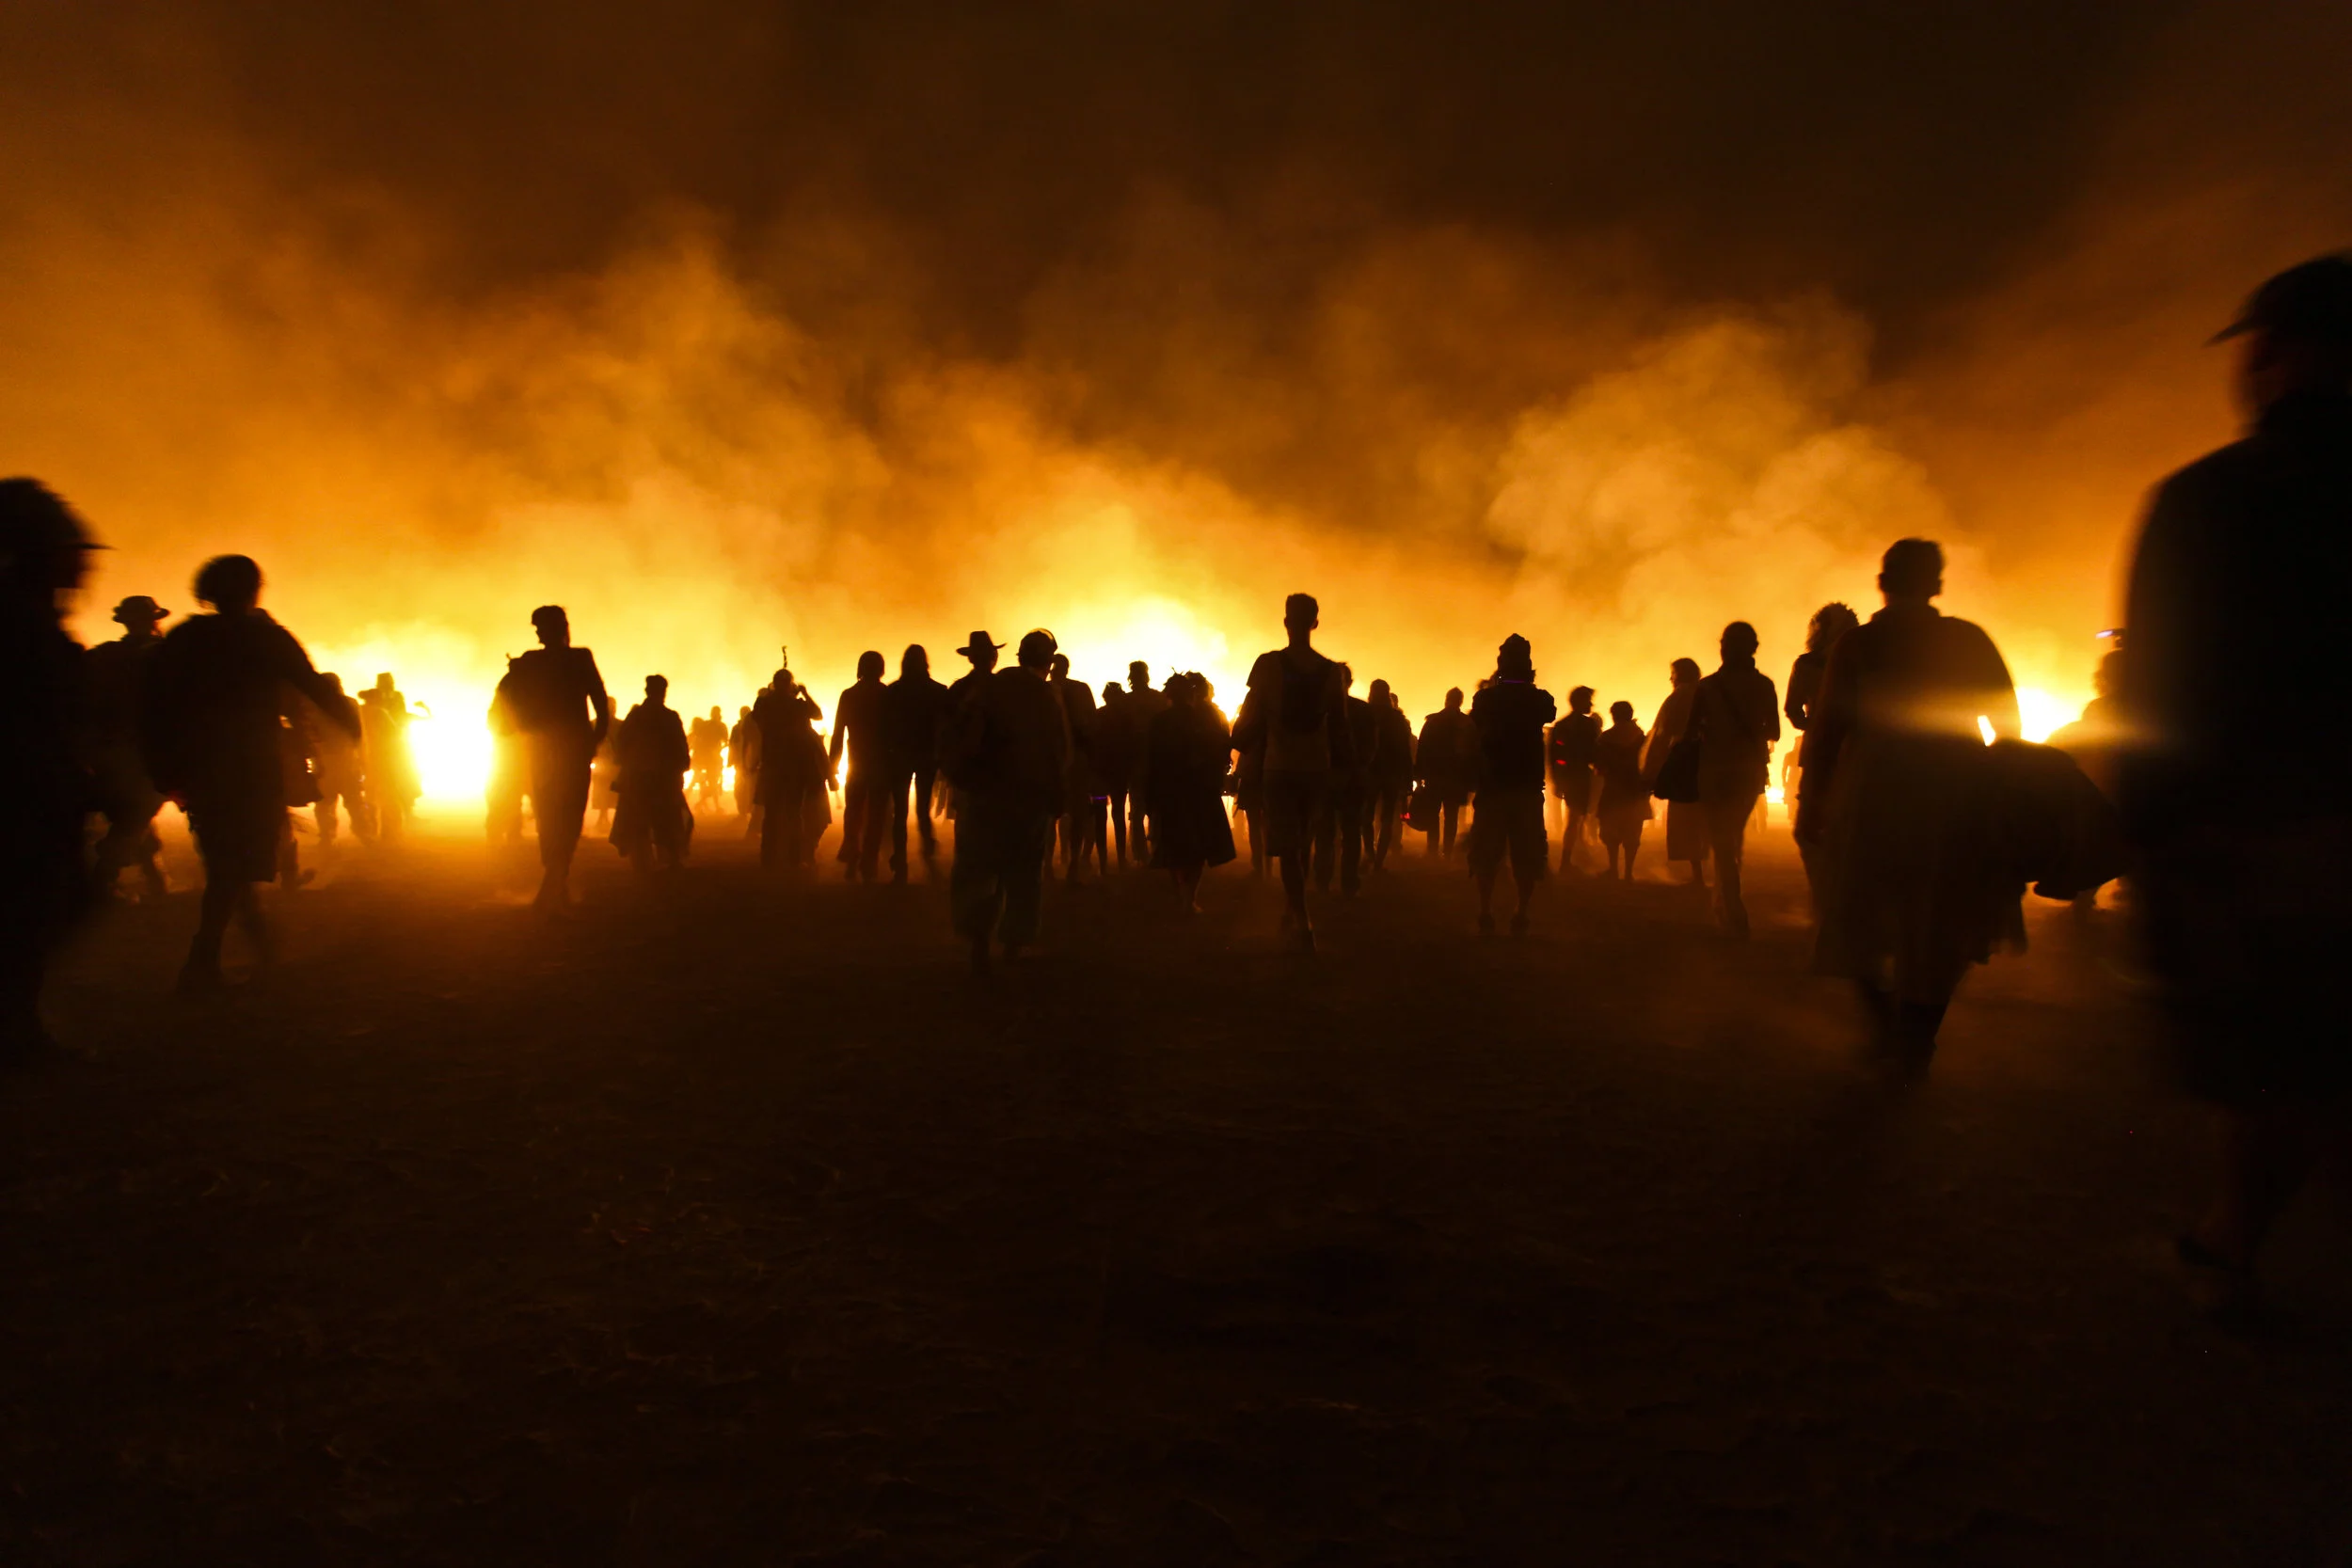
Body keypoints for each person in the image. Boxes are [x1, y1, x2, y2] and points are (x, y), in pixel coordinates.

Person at [2117, 255, 2352, 1319]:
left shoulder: (2214, 500)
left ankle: (2232, 1243)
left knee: (2285, 1062)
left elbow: (2158, 690)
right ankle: (2236, 1237)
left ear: (2284, 357)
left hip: (2268, 841)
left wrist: (2154, 836)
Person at [1798, 538, 2021, 1069]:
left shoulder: (1859, 647)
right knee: (1942, 923)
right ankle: (1918, 1034)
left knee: (1856, 916)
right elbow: (2008, 724)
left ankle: (1888, 1027)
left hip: (1874, 795)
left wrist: (1812, 801)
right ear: (1937, 584)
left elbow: (1828, 731)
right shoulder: (1966, 640)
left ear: (1883, 583)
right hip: (1954, 796)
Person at [140, 554, 355, 993]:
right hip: (250, 765)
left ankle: (252, 943)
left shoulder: (186, 638)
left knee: (227, 858)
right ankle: (208, 957)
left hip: (202, 765)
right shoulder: (264, 638)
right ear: (254, 590)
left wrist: (164, 764)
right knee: (233, 862)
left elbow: (155, 705)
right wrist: (350, 729)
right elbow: (310, 685)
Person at [1, 479, 103, 1055]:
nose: (84, 567)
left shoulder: (29, 616)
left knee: (43, 903)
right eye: (72, 554)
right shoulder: (19, 620)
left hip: (37, 787)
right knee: (33, 904)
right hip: (22, 791)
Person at [945, 628, 1070, 972]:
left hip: (984, 799)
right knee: (1024, 874)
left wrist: (963, 784)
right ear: (1047, 661)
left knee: (979, 869)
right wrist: (1055, 795)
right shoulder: (1047, 696)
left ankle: (978, 941)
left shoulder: (987, 689)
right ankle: (1014, 945)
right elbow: (1058, 751)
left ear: (1017, 656)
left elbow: (961, 738)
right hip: (1027, 802)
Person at [1234, 593, 1354, 952]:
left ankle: (1302, 920)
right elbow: (1341, 727)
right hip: (1316, 767)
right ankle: (1294, 909)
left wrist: (1237, 742)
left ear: (1286, 621)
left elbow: (1250, 717)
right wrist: (1347, 769)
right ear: (1315, 622)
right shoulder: (1331, 672)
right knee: (1303, 842)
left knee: (1287, 846)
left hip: (1279, 767)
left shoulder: (1267, 666)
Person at [493, 605, 612, 913]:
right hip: (567, 749)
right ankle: (556, 876)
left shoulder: (532, 662)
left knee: (553, 814)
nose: (538, 633)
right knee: (561, 814)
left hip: (546, 751)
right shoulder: (574, 658)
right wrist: (594, 738)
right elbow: (599, 702)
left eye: (540, 627)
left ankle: (555, 876)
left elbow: (509, 704)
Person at [1692, 623, 1782, 938]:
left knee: (1720, 838)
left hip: (1714, 769)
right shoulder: (1765, 686)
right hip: (1748, 770)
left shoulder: (1707, 687)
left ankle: (1731, 905)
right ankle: (1725, 901)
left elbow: (1691, 733)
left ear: (1723, 648)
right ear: (1753, 648)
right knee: (1733, 835)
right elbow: (1774, 732)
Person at [83, 594, 171, 898]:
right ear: (153, 621)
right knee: (136, 814)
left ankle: (156, 879)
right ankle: (102, 879)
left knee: (134, 812)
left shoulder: (105, 656)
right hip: (147, 749)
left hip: (110, 748)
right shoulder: (165, 656)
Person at [1467, 635, 1557, 935]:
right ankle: (1521, 911)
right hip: (1527, 787)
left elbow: (1475, 729)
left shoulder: (1485, 699)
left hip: (1493, 785)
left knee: (1486, 851)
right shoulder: (1540, 699)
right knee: (1527, 852)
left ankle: (1485, 909)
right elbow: (1547, 714)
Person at [1146, 672, 1236, 911]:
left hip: (1170, 792)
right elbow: (1219, 752)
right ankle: (1189, 896)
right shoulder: (1204, 720)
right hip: (1200, 790)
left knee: (1173, 846)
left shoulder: (1159, 722)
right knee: (1199, 847)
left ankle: (1182, 893)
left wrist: (1151, 793)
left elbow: (1151, 760)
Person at [1786, 602, 1860, 893]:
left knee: (1810, 830)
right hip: (1859, 753)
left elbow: (1793, 710)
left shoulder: (1807, 664)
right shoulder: (1868, 661)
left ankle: (1825, 899)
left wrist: (1814, 727)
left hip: (1821, 755)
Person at [611, 674, 692, 872]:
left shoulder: (638, 716)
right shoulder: (668, 717)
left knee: (646, 818)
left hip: (643, 776)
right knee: (667, 818)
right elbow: (680, 746)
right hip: (660, 777)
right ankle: (667, 859)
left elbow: (621, 743)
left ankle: (647, 860)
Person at [882, 645, 949, 882]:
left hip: (899, 756)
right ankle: (927, 848)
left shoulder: (893, 692)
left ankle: (900, 862)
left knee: (900, 812)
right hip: (926, 756)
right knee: (922, 808)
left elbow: (885, 728)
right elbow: (943, 728)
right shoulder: (938, 691)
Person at [1644, 658, 1711, 888]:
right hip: (1711, 766)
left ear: (1680, 675)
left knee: (1687, 821)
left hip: (1684, 768)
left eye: (1672, 673)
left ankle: (1698, 875)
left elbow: (1660, 734)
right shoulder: (1709, 694)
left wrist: (1649, 768)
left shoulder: (1677, 699)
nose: (1670, 678)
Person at [753, 670, 828, 872]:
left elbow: (756, 715)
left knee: (771, 813)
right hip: (794, 767)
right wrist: (804, 693)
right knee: (794, 813)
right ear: (790, 685)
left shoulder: (764, 704)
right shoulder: (797, 706)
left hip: (772, 765)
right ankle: (794, 858)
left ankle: (767, 857)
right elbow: (817, 714)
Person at [1314, 665, 1377, 896]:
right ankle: (1348, 883)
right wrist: (1358, 767)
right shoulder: (1363, 710)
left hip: (1329, 778)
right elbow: (1371, 747)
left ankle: (1323, 881)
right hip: (1353, 779)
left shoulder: (1320, 711)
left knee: (1325, 834)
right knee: (1350, 834)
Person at [831, 651, 892, 881]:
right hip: (880, 765)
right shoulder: (886, 695)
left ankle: (852, 854)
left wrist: (832, 767)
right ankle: (869, 860)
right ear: (880, 669)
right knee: (876, 815)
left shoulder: (848, 695)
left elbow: (837, 734)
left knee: (853, 812)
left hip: (856, 763)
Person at [1048, 652, 1105, 882]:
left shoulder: (1043, 691)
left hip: (1054, 761)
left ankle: (1051, 864)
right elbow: (1092, 725)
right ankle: (1072, 861)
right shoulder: (1080, 690)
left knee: (1053, 814)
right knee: (1078, 814)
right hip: (1076, 761)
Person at [358, 673, 420, 845]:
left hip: (370, 754)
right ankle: (390, 832)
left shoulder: (364, 710)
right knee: (390, 791)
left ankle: (372, 827)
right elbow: (394, 731)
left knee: (373, 792)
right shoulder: (380, 712)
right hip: (388, 755)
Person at [310, 672, 370, 847]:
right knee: (354, 802)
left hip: (327, 761)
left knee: (325, 803)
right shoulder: (349, 704)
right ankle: (363, 835)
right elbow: (360, 735)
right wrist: (363, 760)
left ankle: (327, 837)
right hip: (345, 760)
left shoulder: (313, 706)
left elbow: (311, 735)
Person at [1594, 701, 1651, 879]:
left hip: (1613, 790)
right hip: (1636, 790)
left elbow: (1599, 766)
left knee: (1611, 832)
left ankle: (1613, 869)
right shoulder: (1642, 738)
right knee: (1633, 832)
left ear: (1613, 715)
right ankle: (1628, 872)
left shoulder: (1605, 738)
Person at [1415, 689, 1475, 857]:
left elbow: (1423, 748)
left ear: (1446, 699)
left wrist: (1419, 775)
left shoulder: (1433, 721)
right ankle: (1447, 851)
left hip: (1435, 775)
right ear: (1460, 702)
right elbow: (1471, 753)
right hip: (1456, 777)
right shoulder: (1466, 723)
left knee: (1433, 813)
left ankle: (1432, 849)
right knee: (1452, 815)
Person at [1548, 687, 1601, 874]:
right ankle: (1566, 860)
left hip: (1571, 776)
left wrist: (1557, 779)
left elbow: (1555, 756)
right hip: (1580, 776)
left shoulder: (1562, 725)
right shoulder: (1587, 726)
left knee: (1577, 818)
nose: (1591, 704)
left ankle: (1573, 857)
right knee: (1575, 819)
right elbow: (1595, 752)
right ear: (1579, 702)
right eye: (1588, 700)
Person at [1120, 660, 1169, 859]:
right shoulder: (1158, 699)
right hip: (1154, 761)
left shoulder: (1125, 702)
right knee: (1154, 808)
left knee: (1139, 809)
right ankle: (1154, 849)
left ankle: (1141, 853)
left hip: (1139, 762)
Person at [1366, 679, 1415, 871]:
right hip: (1392, 773)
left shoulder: (1365, 714)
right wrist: (1408, 776)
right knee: (1387, 817)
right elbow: (1405, 750)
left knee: (1367, 816)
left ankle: (1370, 853)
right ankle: (1379, 859)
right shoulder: (1397, 719)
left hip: (1369, 771)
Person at [1093, 679, 1135, 866]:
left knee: (1100, 816)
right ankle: (1120, 859)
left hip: (1101, 775)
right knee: (1118, 815)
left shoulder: (1098, 715)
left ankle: (1103, 862)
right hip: (1118, 775)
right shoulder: (1127, 719)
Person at [484, 663, 526, 847]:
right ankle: (505, 830)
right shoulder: (516, 688)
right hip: (510, 750)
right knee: (506, 792)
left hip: (511, 750)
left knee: (506, 793)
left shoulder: (508, 688)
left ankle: (507, 830)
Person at [729, 703, 762, 835]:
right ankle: (743, 811)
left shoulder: (754, 727)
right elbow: (732, 744)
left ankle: (749, 810)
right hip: (741, 762)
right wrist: (731, 760)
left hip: (751, 761)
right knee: (739, 787)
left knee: (751, 788)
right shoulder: (737, 728)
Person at [689, 705, 729, 814]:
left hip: (708, 758)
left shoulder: (710, 725)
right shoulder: (719, 726)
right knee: (712, 783)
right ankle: (707, 805)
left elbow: (698, 737)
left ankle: (703, 804)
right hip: (711, 759)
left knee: (710, 783)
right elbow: (726, 741)